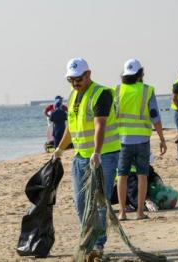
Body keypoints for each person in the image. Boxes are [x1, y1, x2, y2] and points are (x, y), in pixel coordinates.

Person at [53, 58, 121, 253]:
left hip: (104, 156)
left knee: (100, 201)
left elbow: (100, 125)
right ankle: (88, 238)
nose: (75, 83)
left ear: (88, 74)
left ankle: (97, 244)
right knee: (81, 201)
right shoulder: (73, 96)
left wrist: (97, 153)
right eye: (71, 79)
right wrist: (59, 149)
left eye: (78, 79)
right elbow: (71, 128)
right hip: (80, 156)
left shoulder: (102, 94)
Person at [114, 59, 167, 221]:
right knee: (142, 175)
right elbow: (155, 116)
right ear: (141, 74)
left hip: (122, 141)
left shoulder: (116, 90)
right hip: (142, 140)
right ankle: (139, 212)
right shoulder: (147, 91)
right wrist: (162, 138)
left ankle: (122, 212)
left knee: (122, 175)